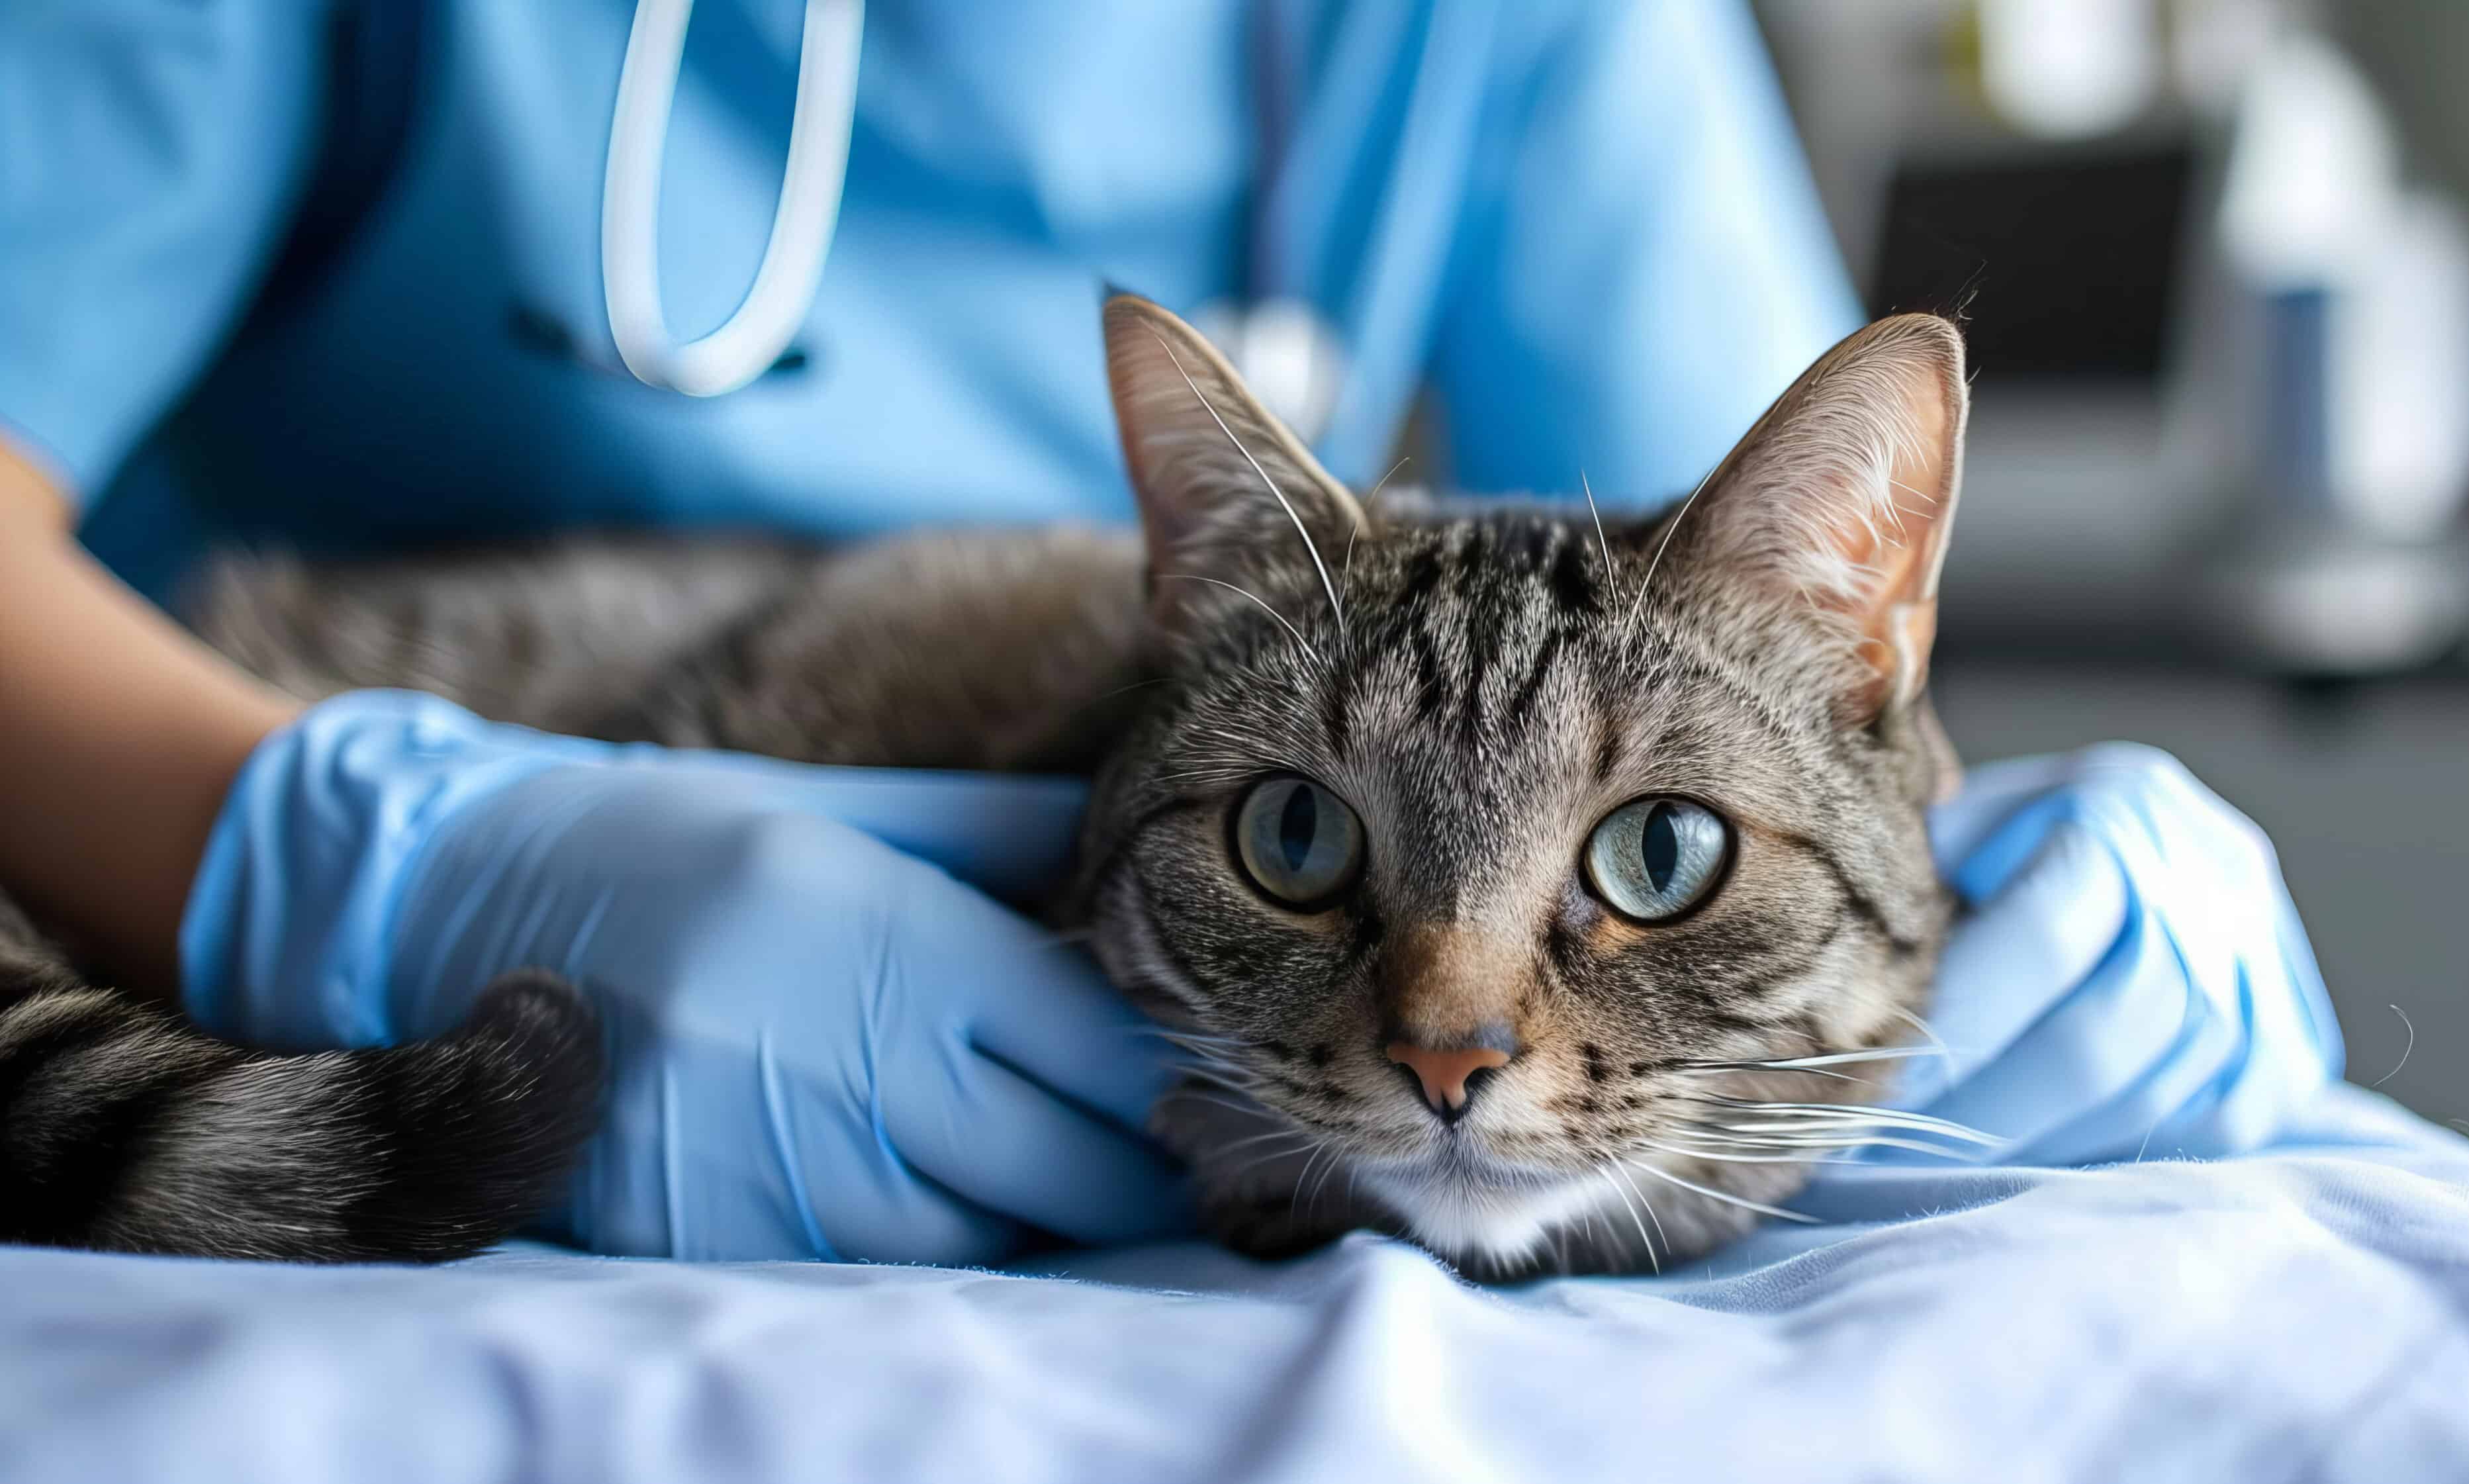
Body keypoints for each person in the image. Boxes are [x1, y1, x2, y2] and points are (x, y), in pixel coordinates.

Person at [0, 1, 2334, 1266]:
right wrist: (350, 859)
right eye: (1327, 853)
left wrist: (2015, 867)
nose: (1451, 1026)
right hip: (175, 762)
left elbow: (1766, 669)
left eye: (1627, 875)